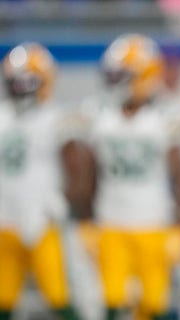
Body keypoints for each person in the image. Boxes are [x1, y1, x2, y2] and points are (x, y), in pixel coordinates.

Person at [69, 33, 180, 320]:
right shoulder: (98, 113)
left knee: (155, 302)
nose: (115, 82)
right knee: (112, 299)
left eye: (122, 75)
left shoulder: (166, 115)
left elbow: (179, 175)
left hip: (154, 221)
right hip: (111, 219)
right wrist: (84, 219)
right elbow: (89, 171)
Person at [0, 42, 79, 320]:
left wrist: (59, 200)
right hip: (4, 220)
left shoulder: (56, 117)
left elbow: (76, 168)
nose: (20, 89)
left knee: (58, 295)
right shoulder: (2, 116)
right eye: (15, 83)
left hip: (42, 218)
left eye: (27, 82)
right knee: (4, 298)